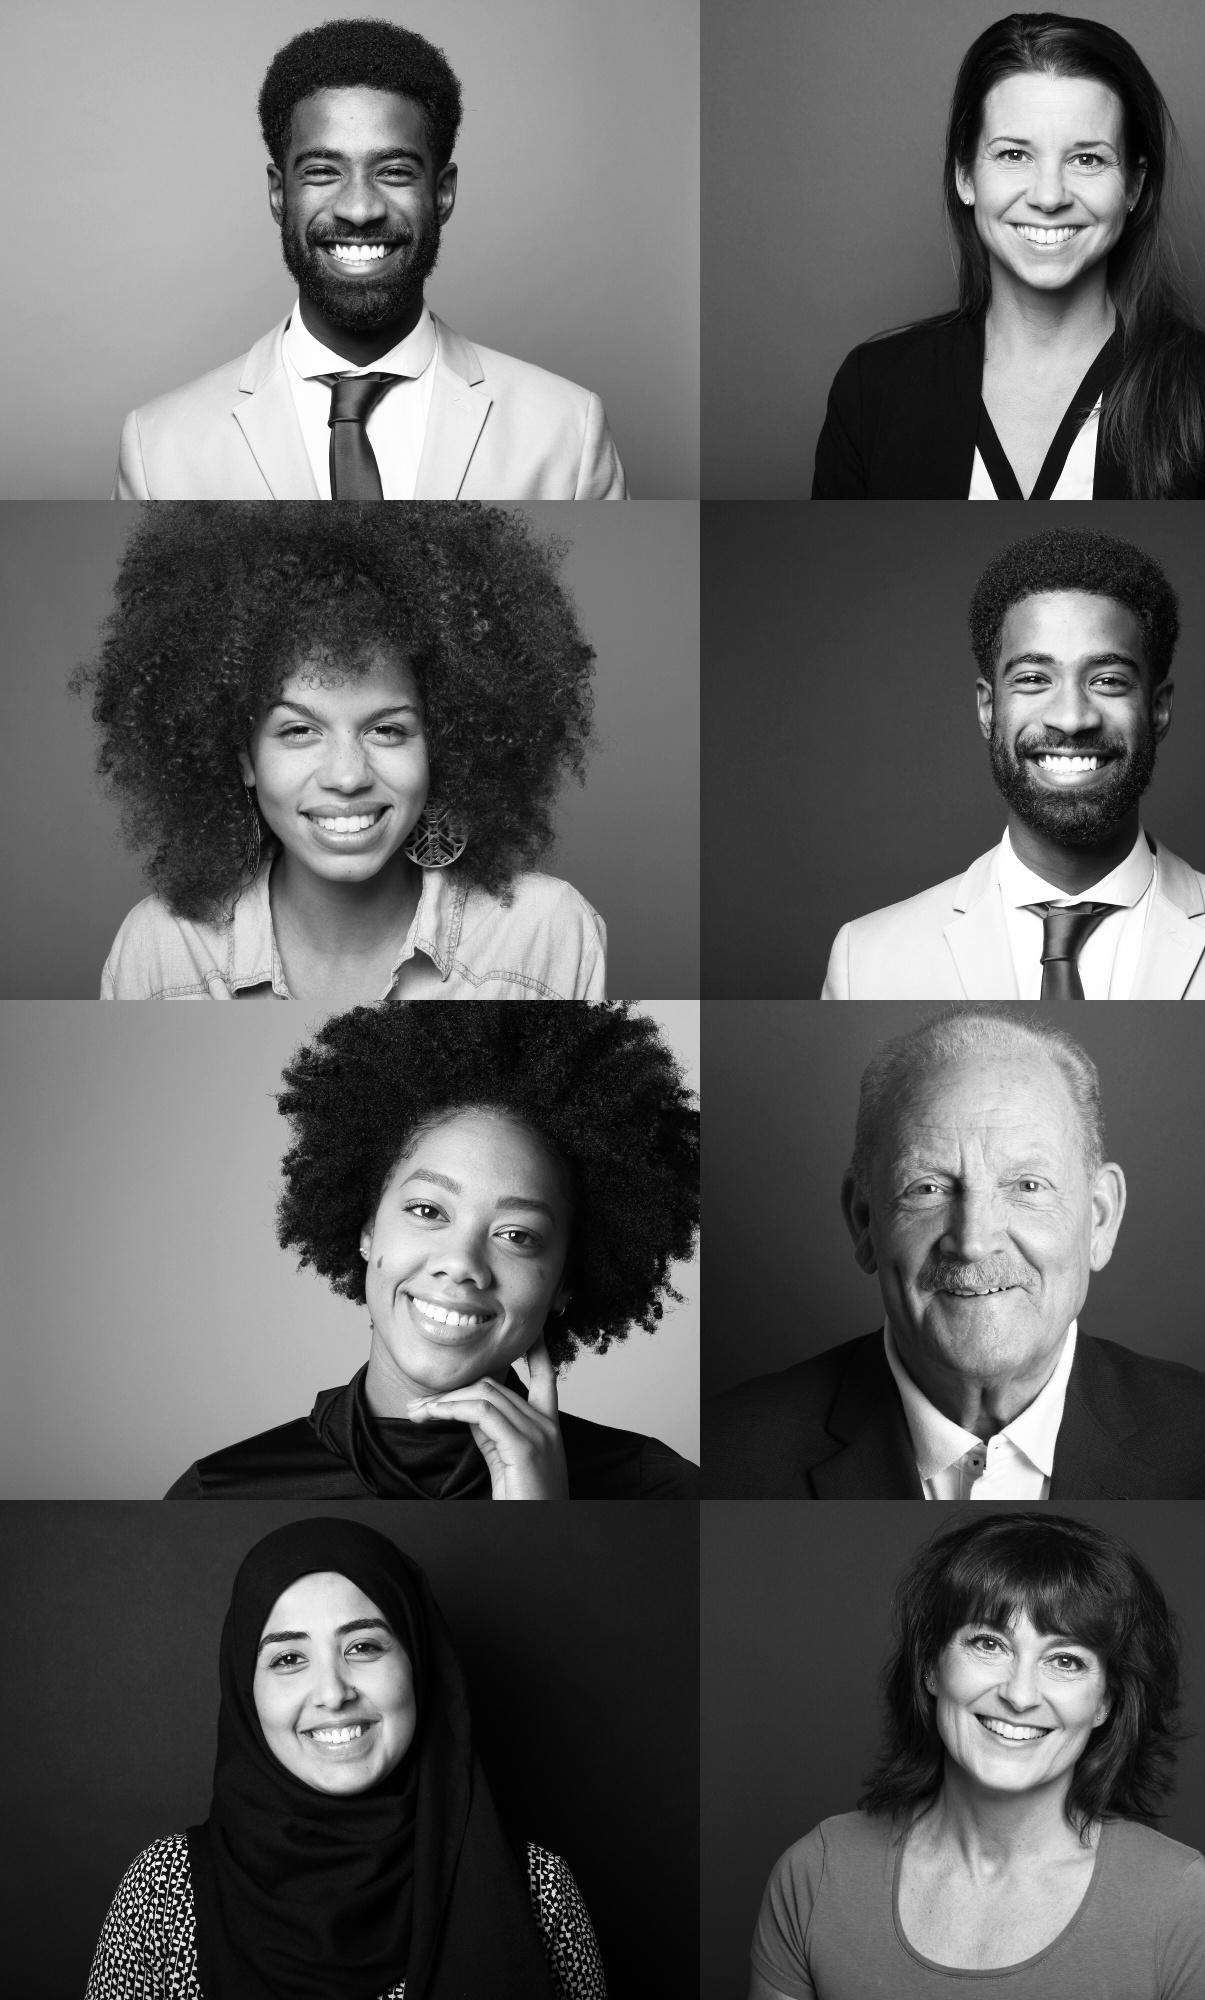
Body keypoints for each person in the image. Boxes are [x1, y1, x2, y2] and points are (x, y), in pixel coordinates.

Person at [704, 1009, 1205, 1499]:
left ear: (1100, 1218)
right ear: (864, 1221)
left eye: (1027, 1186)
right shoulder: (719, 1462)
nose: (973, 1241)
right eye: (928, 1189)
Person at [170, 1000, 700, 1499]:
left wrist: (542, 1523)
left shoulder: (656, 1490)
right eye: (427, 1211)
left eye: (516, 1235)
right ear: (367, 1230)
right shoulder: (218, 1493)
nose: (462, 1264)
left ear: (564, 1281)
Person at [86, 503, 609, 1001]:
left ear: (444, 745)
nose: (347, 776)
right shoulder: (161, 948)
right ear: (244, 756)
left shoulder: (544, 931)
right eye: (298, 730)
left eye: (386, 730)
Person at [83, 1518, 607, 2000]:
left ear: (418, 1663)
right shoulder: (162, 1893)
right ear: (246, 1692)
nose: (333, 1693)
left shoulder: (539, 1892)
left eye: (363, 1647)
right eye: (289, 1658)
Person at [745, 1512, 1205, 1999]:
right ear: (931, 1667)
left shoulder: (1180, 1899)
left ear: (1106, 1702)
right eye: (989, 1644)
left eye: (1065, 1660)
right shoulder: (818, 1871)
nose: (1020, 1695)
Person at [821, 530, 1205, 999]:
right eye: (1033, 678)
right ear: (987, 708)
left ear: (1158, 708)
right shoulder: (863, 960)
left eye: (1108, 680)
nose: (1071, 719)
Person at [124, 20, 624, 500]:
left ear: (443, 193)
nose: (360, 210)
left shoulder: (567, 430)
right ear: (278, 194)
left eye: (394, 171)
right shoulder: (159, 446)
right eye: (322, 171)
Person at [808, 14, 1205, 498]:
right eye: (1014, 155)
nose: (1049, 196)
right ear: (965, 176)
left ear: (1134, 186)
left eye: (1087, 159)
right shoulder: (872, 389)